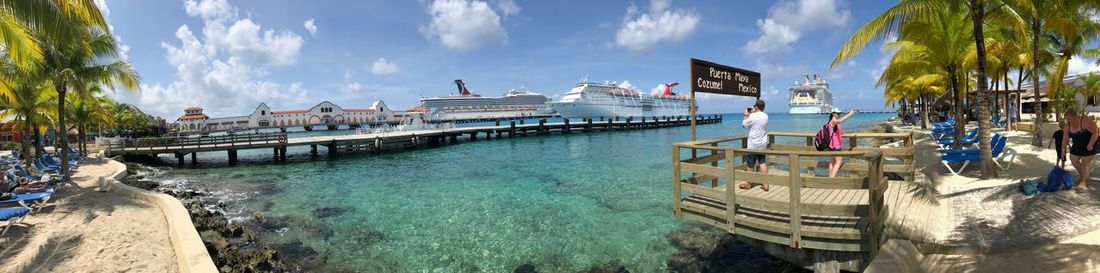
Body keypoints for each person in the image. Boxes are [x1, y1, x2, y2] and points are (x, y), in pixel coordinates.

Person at [1061, 109, 1097, 192]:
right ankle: (1084, 175)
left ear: (1074, 116)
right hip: (1078, 143)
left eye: (1068, 119)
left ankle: (1083, 182)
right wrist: (1063, 150)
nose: (1067, 121)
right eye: (1066, 119)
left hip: (1091, 142)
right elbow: (1065, 138)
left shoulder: (1085, 121)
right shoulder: (1067, 126)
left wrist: (1090, 144)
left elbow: (1096, 132)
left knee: (1085, 161)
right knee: (1073, 159)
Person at [739, 99, 769, 191]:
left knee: (750, 164)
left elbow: (743, 125)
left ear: (756, 106)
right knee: (762, 163)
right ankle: (765, 184)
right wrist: (753, 112)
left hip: (753, 145)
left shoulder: (752, 117)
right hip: (762, 144)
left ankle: (748, 183)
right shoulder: (766, 116)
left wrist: (745, 115)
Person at [827, 109, 858, 177]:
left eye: (839, 113)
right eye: (837, 113)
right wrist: (850, 114)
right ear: (833, 113)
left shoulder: (832, 122)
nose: (839, 114)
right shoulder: (833, 120)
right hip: (835, 145)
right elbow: (840, 121)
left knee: (832, 162)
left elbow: (836, 131)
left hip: (831, 145)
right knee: (839, 162)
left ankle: (829, 178)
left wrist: (841, 133)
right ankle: (832, 178)